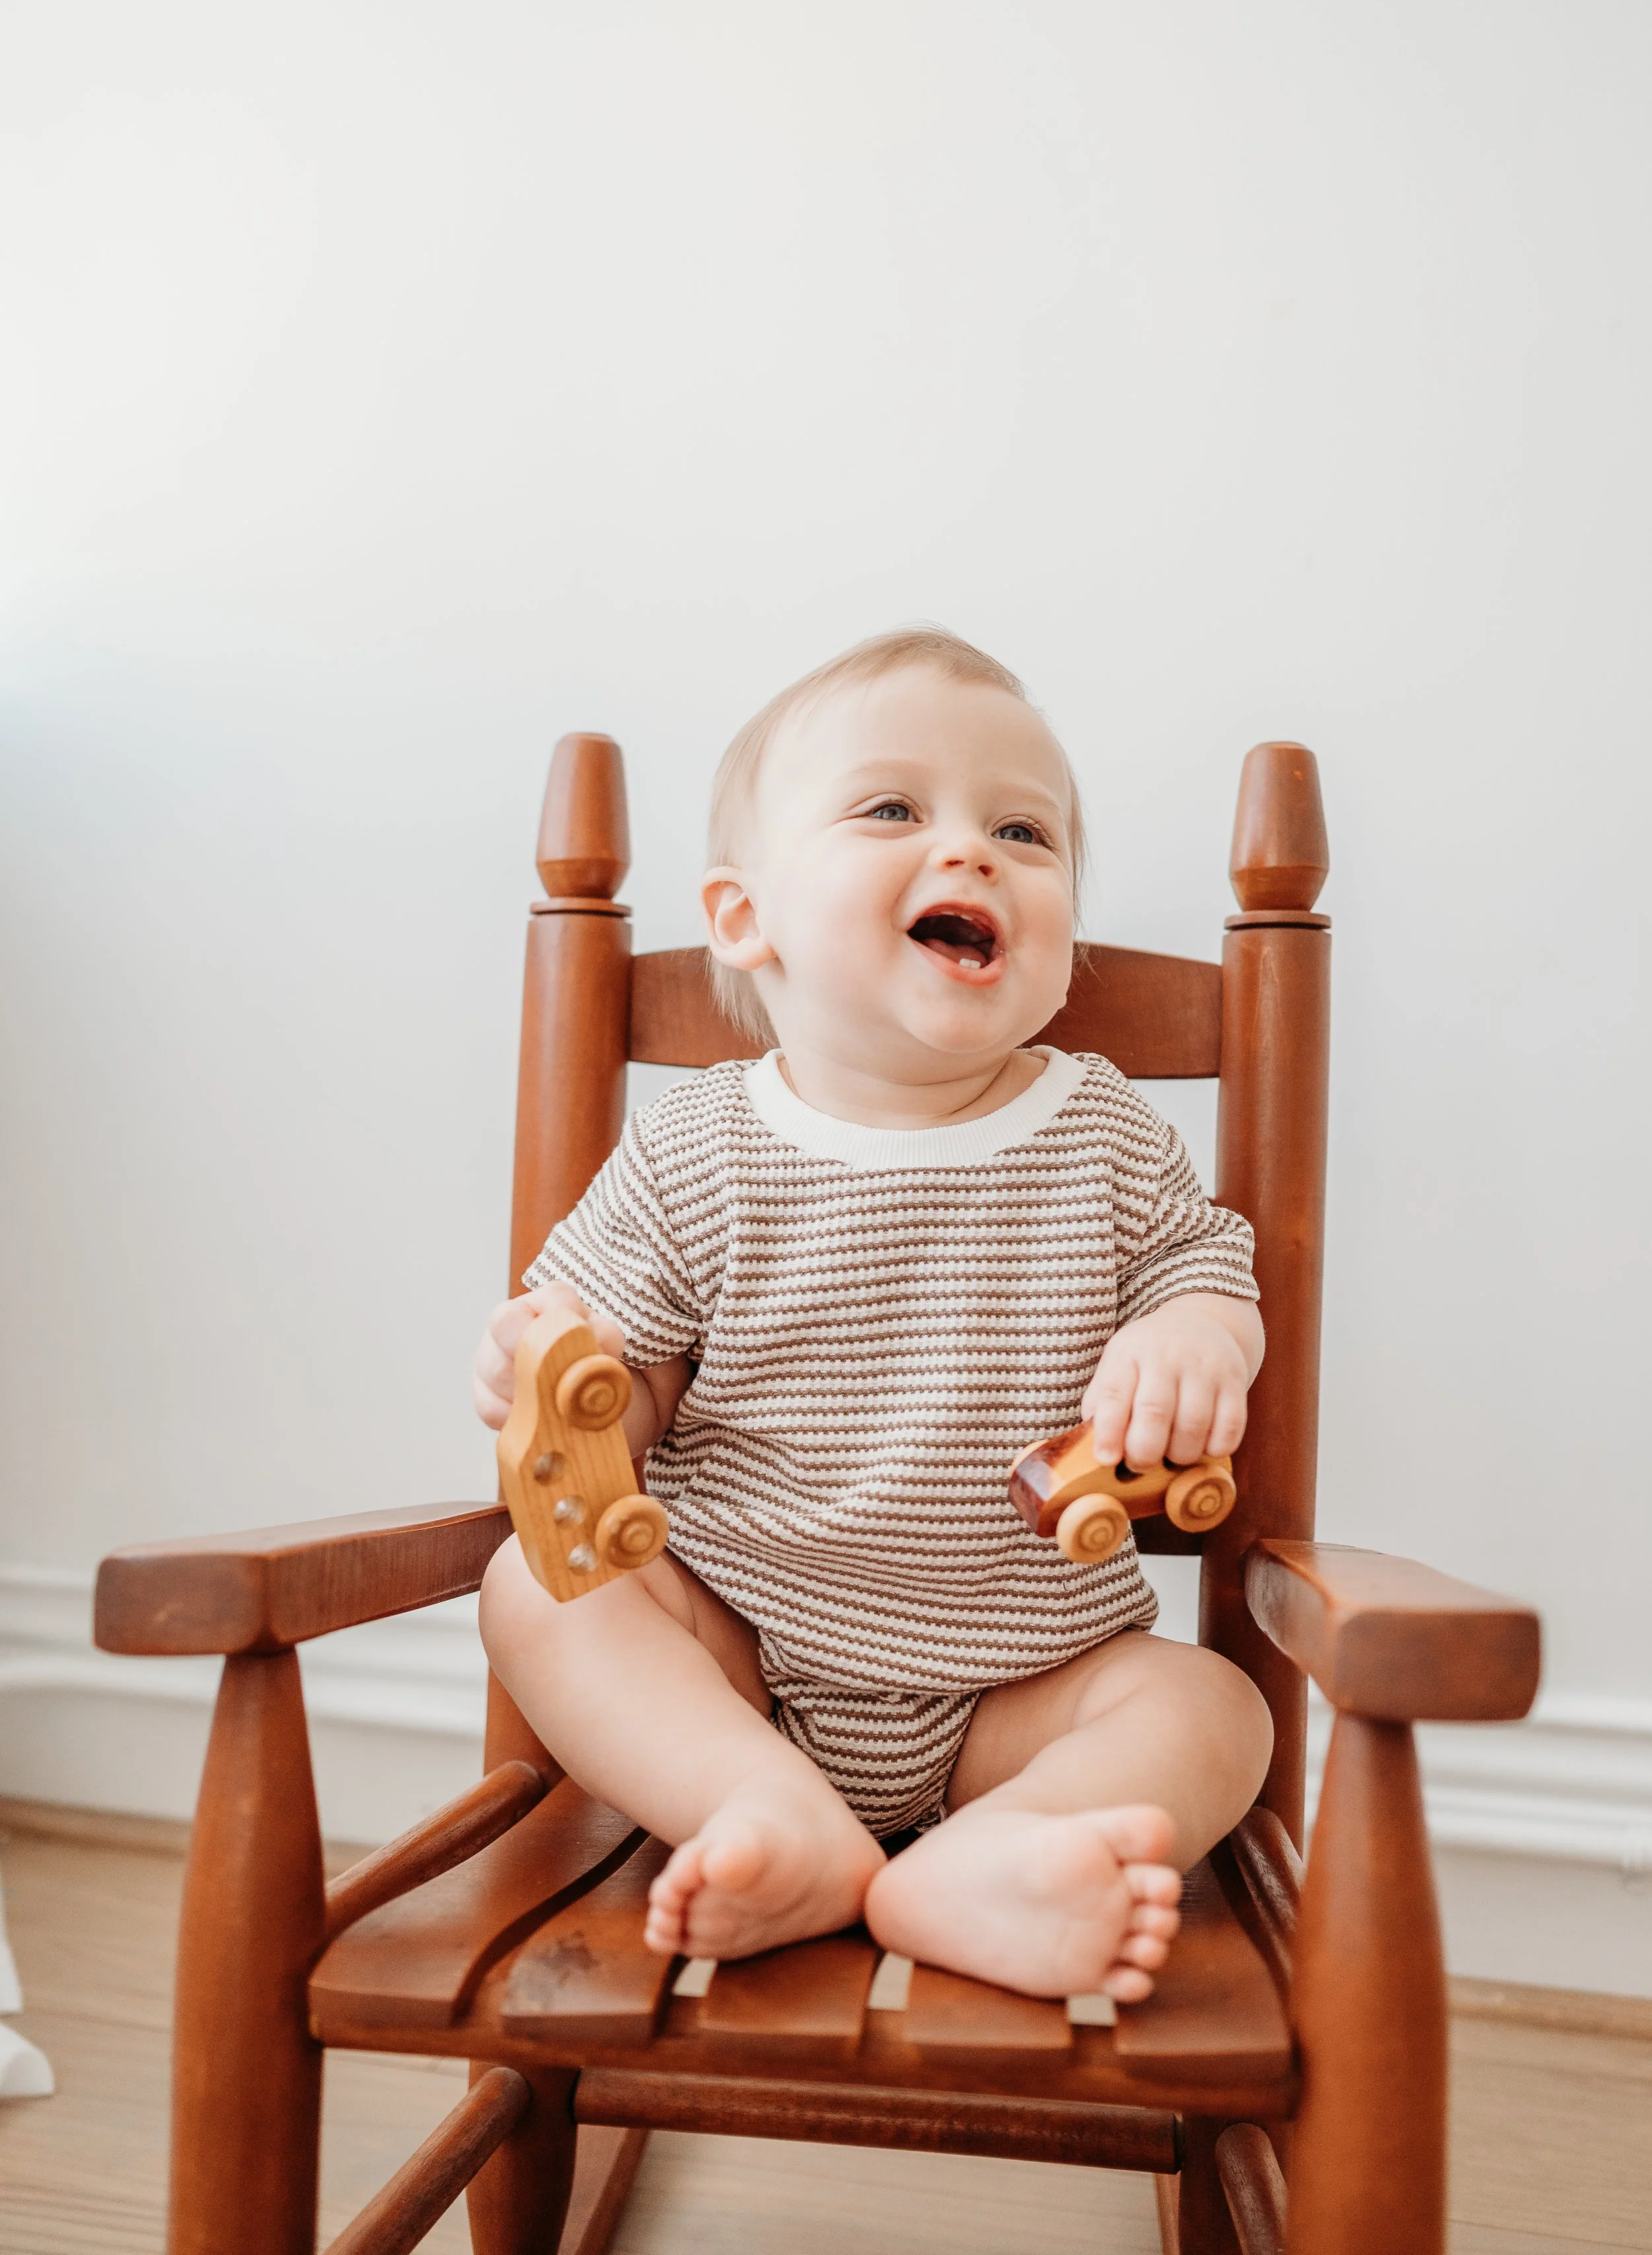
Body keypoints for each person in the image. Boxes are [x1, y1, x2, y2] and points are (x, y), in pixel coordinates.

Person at [474, 628, 1272, 2004]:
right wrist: (571, 1376)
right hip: (739, 1660)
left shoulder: (1104, 1137)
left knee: (1210, 1706)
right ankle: (766, 1813)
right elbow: (621, 1394)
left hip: (1022, 1684)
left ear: (1062, 941)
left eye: (1022, 830)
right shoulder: (696, 1150)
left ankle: (996, 1859)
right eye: (892, 809)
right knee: (537, 1592)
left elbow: (1208, 1264)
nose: (968, 852)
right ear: (743, 918)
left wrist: (1198, 1333)